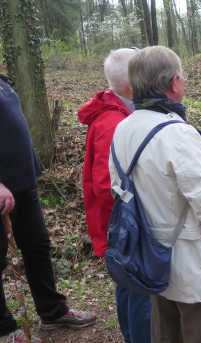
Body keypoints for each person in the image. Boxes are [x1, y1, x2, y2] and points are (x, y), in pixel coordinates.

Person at [109, 46, 201, 343]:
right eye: (182, 77)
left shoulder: (122, 128)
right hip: (196, 264)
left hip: (153, 259)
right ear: (173, 83)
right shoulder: (178, 133)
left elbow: (118, 189)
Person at [0, 74, 96, 343]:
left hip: (23, 183)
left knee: (38, 247)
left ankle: (52, 311)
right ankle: (4, 329)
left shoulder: (2, 80)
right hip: (1, 190)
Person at [78, 47, 151, 343]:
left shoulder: (122, 113)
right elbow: (106, 185)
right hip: (123, 226)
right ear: (133, 83)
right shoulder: (113, 123)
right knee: (139, 288)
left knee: (129, 285)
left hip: (121, 223)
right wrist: (136, 220)